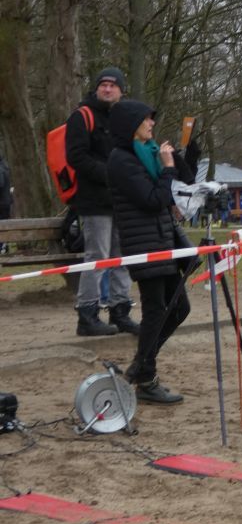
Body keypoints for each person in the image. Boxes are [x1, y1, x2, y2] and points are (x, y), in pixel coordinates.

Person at [107, 99, 194, 404]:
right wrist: (167, 170)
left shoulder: (148, 153)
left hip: (162, 239)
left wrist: (176, 159)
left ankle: (141, 366)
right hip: (143, 243)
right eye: (146, 119)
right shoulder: (122, 160)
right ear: (131, 125)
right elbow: (153, 199)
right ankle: (145, 376)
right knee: (156, 310)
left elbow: (186, 180)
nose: (152, 124)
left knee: (179, 308)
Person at [65, 67, 137, 337]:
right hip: (94, 201)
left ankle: (121, 311)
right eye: (103, 85)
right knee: (97, 258)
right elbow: (76, 157)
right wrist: (110, 174)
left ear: (121, 91)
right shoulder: (81, 116)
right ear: (96, 88)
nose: (107, 89)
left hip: (121, 200)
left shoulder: (124, 118)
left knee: (121, 257)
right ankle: (87, 314)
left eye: (113, 85)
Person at [0, 150, 11, 254]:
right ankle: (3, 246)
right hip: (5, 202)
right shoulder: (4, 166)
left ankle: (2, 247)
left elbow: (0, 183)